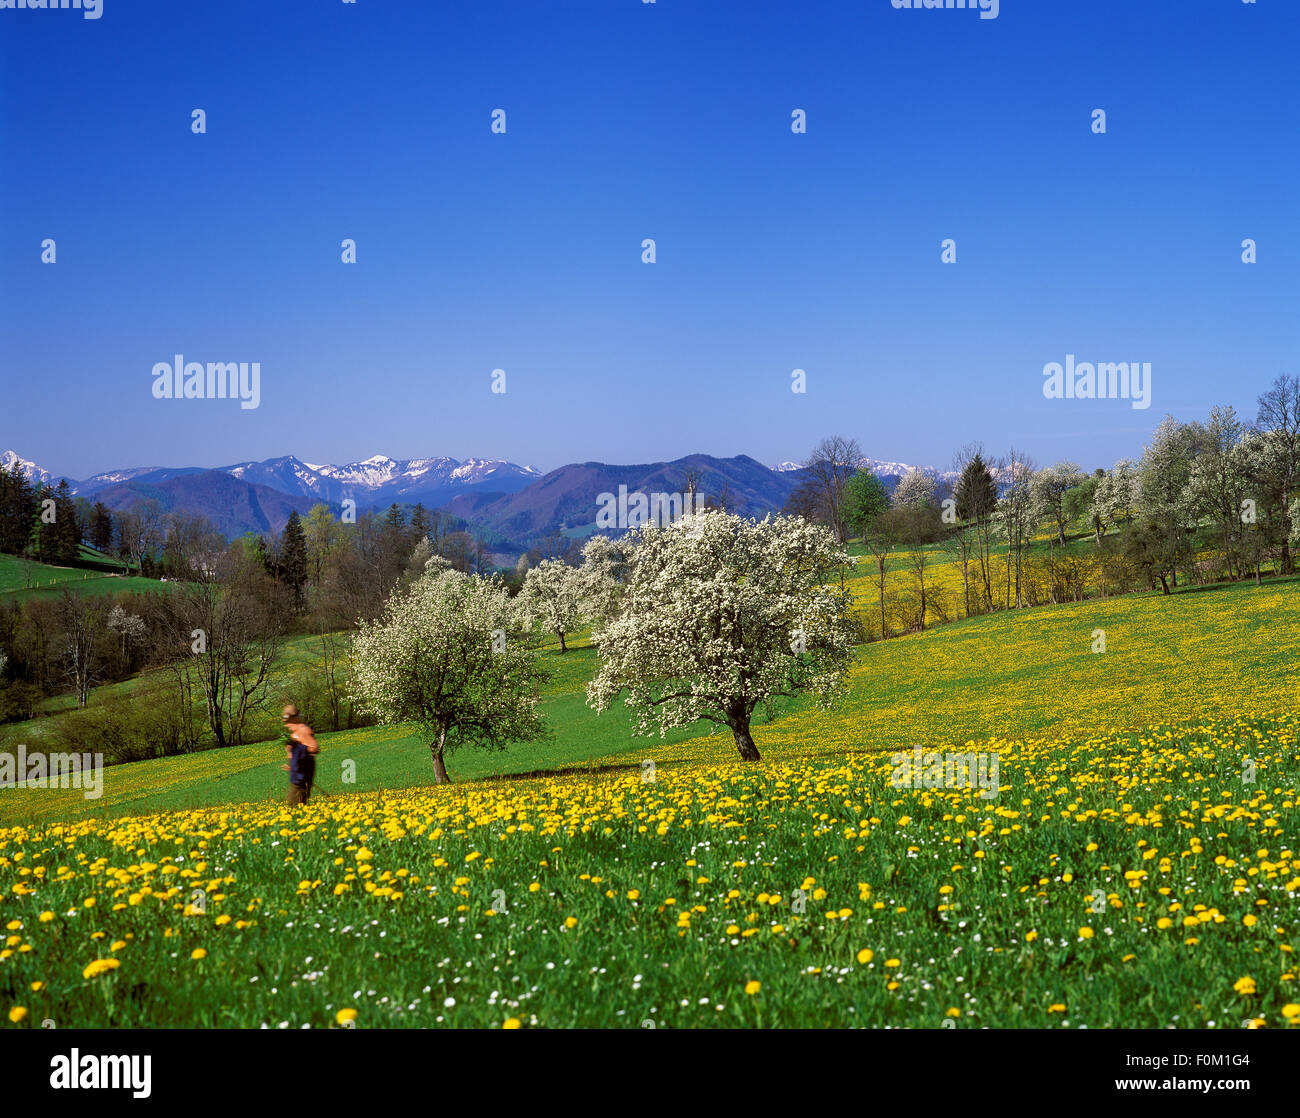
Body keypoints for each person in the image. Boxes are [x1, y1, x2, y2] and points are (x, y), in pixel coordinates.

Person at [281, 704, 320, 806]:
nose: (286, 724)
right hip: (297, 774)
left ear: (295, 718)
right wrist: (291, 766)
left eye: (288, 721)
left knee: (295, 805)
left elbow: (315, 748)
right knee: (293, 805)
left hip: (302, 777)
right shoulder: (294, 733)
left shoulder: (303, 730)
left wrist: (298, 747)